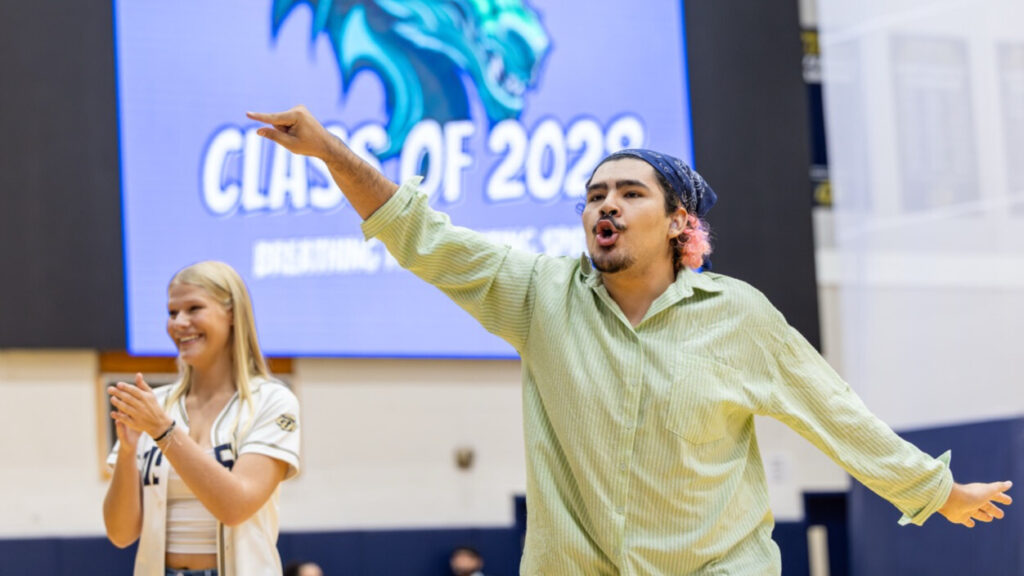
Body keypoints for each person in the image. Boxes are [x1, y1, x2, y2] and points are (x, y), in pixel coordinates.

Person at [247, 106, 1011, 575]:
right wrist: (330, 151)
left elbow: (833, 411)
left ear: (680, 221)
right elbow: (421, 237)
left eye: (629, 192)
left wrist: (932, 490)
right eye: (593, 195)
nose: (604, 205)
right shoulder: (539, 296)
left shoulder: (739, 315)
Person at [103, 261, 301, 576]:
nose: (179, 323)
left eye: (194, 308)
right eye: (171, 313)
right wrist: (127, 452)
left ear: (232, 313)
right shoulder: (157, 405)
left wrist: (163, 431)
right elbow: (120, 534)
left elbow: (235, 507)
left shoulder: (273, 401)